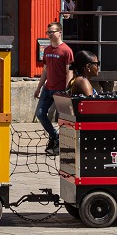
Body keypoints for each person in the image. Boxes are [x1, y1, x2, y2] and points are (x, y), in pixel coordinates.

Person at [34, 22, 73, 154]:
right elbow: (45, 70)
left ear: (59, 32)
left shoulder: (66, 51)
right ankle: (54, 136)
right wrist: (39, 87)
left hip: (60, 89)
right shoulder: (47, 50)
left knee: (62, 118)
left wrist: (66, 90)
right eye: (48, 32)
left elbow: (69, 72)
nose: (49, 35)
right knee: (40, 114)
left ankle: (61, 145)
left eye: (52, 32)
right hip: (47, 88)